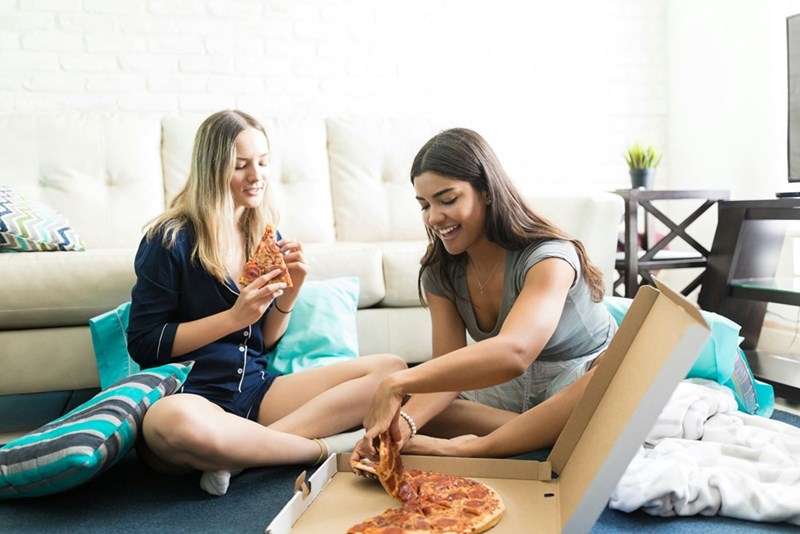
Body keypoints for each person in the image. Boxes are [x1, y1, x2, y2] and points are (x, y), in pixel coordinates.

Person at [127, 109, 406, 496]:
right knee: (173, 424)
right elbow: (143, 343)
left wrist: (289, 294)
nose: (256, 176)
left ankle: (242, 454)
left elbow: (266, 340)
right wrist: (232, 317)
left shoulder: (261, 234)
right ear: (212, 169)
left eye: (263, 162)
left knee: (391, 370)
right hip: (190, 397)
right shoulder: (169, 239)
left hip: (255, 393)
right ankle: (321, 449)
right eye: (241, 165)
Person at [351, 127, 618, 465]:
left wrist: (397, 382)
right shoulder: (440, 271)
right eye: (424, 205)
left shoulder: (550, 257)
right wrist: (404, 424)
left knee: (614, 378)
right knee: (409, 410)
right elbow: (445, 378)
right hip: (510, 394)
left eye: (448, 200)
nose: (434, 218)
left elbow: (514, 353)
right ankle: (541, 431)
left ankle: (476, 446)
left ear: (488, 192)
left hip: (575, 377)